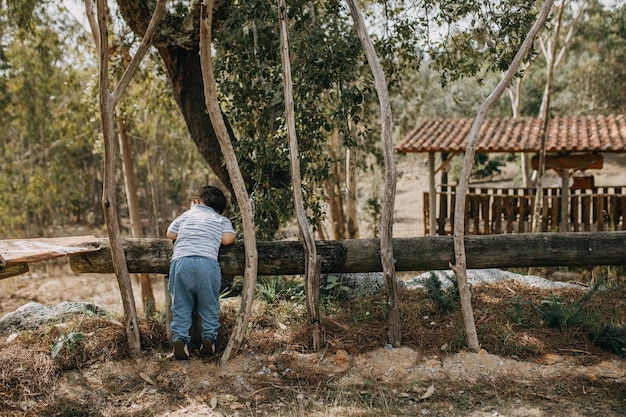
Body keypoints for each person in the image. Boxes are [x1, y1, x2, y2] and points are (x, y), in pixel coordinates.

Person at [166, 185, 236, 360]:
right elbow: (228, 239)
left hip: (181, 262)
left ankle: (180, 340)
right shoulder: (221, 220)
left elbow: (170, 233)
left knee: (180, 304)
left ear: (196, 201)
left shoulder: (185, 216)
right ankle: (209, 339)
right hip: (207, 263)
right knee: (209, 304)